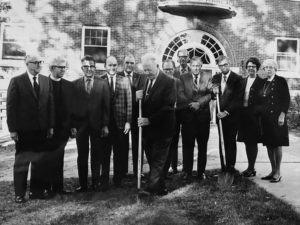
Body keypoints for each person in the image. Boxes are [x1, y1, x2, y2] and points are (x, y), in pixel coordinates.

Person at [6, 54, 54, 203]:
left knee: (39, 162)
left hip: (42, 130)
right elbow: (11, 107)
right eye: (36, 62)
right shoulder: (17, 81)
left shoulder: (46, 80)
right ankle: (20, 194)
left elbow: (50, 105)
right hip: (24, 131)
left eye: (40, 62)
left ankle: (36, 191)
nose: (39, 64)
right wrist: (13, 129)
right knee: (22, 162)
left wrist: (51, 126)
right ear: (27, 64)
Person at [137, 53, 176, 196]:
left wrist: (149, 120)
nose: (147, 73)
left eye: (149, 70)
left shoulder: (169, 82)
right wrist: (138, 98)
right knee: (153, 160)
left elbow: (168, 107)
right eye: (145, 70)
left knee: (158, 160)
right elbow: (142, 102)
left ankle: (150, 188)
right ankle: (161, 188)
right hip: (148, 131)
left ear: (157, 66)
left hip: (163, 129)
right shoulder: (143, 79)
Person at [72, 55, 110, 192]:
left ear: (95, 68)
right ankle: (83, 184)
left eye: (92, 66)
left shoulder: (103, 83)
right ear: (82, 68)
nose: (89, 69)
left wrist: (105, 125)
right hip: (81, 127)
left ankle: (95, 182)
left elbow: (107, 106)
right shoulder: (75, 84)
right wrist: (73, 126)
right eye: (86, 67)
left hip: (97, 125)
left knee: (96, 154)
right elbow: (72, 107)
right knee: (82, 155)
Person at [45, 56, 76, 194]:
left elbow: (73, 109)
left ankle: (58, 188)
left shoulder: (69, 86)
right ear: (52, 68)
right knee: (46, 158)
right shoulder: (42, 83)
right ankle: (46, 187)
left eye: (64, 67)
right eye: (60, 67)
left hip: (63, 129)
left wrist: (73, 126)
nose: (63, 70)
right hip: (46, 129)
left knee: (59, 157)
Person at [177, 56, 212, 181]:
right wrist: (192, 104)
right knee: (188, 146)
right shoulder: (183, 77)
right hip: (188, 118)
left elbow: (210, 93)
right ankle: (187, 171)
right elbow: (180, 94)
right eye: (194, 66)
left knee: (202, 146)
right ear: (190, 66)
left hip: (203, 118)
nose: (196, 68)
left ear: (201, 66)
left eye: (198, 66)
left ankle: (201, 172)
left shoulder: (207, 76)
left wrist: (199, 103)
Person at [100, 56, 132, 189]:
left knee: (119, 153)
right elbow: (99, 104)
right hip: (105, 124)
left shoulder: (124, 80)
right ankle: (104, 181)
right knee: (105, 153)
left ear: (117, 66)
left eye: (114, 65)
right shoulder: (100, 80)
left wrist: (128, 121)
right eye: (109, 65)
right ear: (105, 66)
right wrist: (102, 124)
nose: (112, 68)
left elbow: (129, 102)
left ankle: (118, 179)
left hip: (120, 123)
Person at [258, 59, 290, 183]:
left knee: (277, 144)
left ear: (275, 68)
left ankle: (278, 172)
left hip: (278, 119)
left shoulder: (281, 81)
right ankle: (272, 171)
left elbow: (286, 99)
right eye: (266, 67)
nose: (268, 69)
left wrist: (282, 115)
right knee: (269, 145)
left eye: (271, 67)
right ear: (264, 70)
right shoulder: (264, 83)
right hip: (266, 119)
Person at [211, 55, 243, 174]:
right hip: (220, 116)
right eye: (221, 65)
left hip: (231, 116)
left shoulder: (237, 79)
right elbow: (213, 96)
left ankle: (231, 166)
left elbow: (238, 99)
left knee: (230, 141)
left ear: (228, 64)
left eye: (225, 64)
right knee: (222, 141)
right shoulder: (216, 78)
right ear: (218, 66)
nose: (223, 67)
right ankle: (223, 165)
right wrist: (213, 92)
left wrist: (226, 112)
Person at [118, 54, 146, 178]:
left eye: (132, 63)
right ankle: (123, 171)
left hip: (136, 115)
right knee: (122, 145)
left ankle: (137, 171)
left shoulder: (139, 77)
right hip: (122, 116)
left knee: (137, 144)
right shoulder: (118, 76)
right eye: (127, 62)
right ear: (123, 63)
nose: (129, 65)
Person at [237, 57, 264, 177]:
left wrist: (256, 111)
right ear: (246, 68)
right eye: (249, 67)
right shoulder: (243, 81)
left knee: (252, 142)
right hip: (243, 115)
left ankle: (251, 168)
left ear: (257, 68)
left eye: (253, 66)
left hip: (254, 117)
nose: (251, 68)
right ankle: (250, 167)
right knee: (247, 142)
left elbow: (264, 101)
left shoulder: (262, 82)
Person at [162, 59, 180, 177]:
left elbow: (182, 98)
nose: (168, 71)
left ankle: (173, 167)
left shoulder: (178, 82)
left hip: (175, 117)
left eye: (170, 69)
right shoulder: (159, 82)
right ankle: (162, 170)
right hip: (161, 119)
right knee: (163, 145)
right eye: (166, 69)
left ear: (174, 70)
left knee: (174, 143)